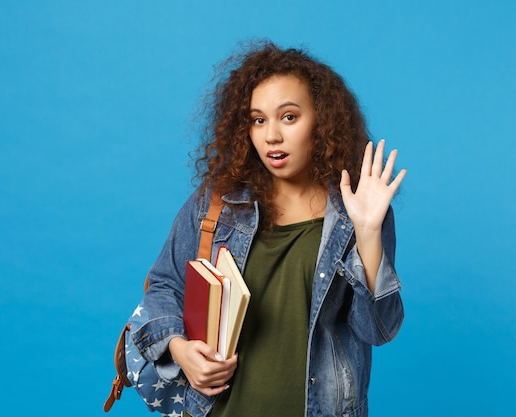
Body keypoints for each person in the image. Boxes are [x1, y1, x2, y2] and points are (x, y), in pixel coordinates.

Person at [130, 41, 406, 417]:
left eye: (289, 117)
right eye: (258, 120)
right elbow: (164, 285)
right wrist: (180, 350)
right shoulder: (218, 202)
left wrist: (369, 232)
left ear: (321, 121)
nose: (271, 136)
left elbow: (378, 329)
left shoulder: (356, 211)